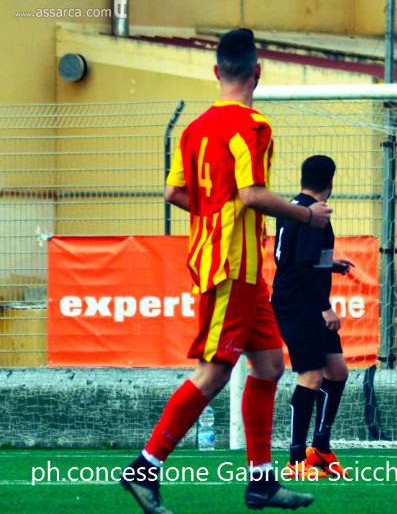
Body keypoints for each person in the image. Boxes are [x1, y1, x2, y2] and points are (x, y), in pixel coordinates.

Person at [121, 29, 329, 514]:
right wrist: (306, 215)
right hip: (230, 267)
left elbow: (174, 194)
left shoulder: (192, 129)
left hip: (244, 271)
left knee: (271, 365)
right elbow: (252, 195)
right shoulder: (254, 126)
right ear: (258, 72)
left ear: (217, 72)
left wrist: (216, 211)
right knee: (214, 371)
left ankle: (261, 483)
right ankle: (145, 467)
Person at [272, 155, 353, 480]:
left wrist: (332, 265)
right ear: (331, 180)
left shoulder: (296, 207)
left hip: (303, 298)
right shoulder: (313, 215)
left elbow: (297, 258)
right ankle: (295, 460)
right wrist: (325, 307)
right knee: (311, 377)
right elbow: (303, 268)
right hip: (299, 304)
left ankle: (320, 447)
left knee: (337, 371)